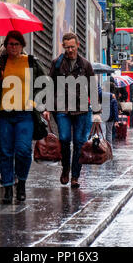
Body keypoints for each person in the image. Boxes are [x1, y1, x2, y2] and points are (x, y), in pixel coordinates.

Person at [0, 30, 46, 204]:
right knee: (5, 152)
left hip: (25, 114)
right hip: (3, 115)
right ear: (5, 45)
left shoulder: (31, 62)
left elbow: (44, 84)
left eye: (16, 44)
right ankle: (7, 188)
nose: (12, 47)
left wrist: (37, 104)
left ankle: (21, 183)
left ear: (22, 46)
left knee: (23, 150)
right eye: (9, 44)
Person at [48, 32, 99, 189]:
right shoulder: (57, 63)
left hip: (82, 108)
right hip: (61, 107)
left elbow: (92, 87)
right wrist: (47, 108)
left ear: (78, 45)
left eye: (72, 46)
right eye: (67, 47)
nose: (70, 50)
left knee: (79, 142)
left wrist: (96, 111)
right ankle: (65, 168)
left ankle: (75, 176)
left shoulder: (85, 65)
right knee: (64, 138)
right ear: (63, 46)